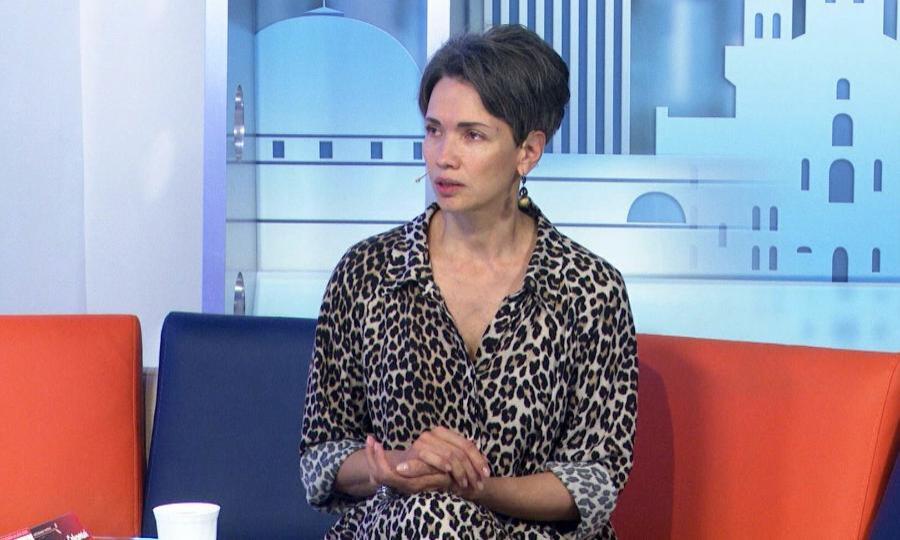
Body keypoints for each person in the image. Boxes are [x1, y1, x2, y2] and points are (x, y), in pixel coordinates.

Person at [300, 24, 638, 539]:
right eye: (434, 130)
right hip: (396, 527)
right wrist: (394, 467)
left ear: (528, 151)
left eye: (472, 135)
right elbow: (321, 454)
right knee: (430, 517)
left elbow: (594, 480)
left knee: (442, 514)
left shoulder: (589, 290)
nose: (444, 155)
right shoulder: (367, 272)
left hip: (530, 534)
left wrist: (474, 490)